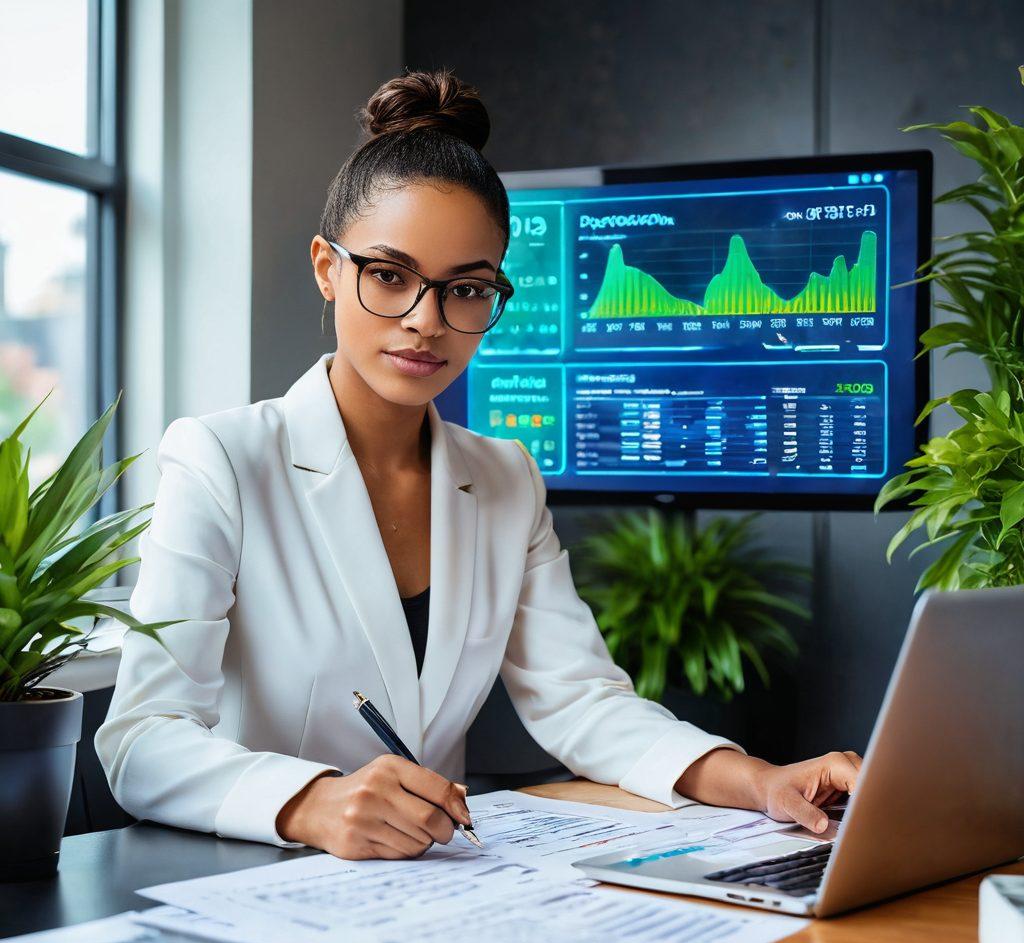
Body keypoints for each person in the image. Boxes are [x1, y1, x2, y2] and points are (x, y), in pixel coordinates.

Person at [96, 68, 860, 862]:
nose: (426, 321)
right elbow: (141, 741)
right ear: (328, 268)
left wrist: (761, 780)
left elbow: (582, 703)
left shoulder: (505, 478)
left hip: (435, 886)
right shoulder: (222, 458)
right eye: (389, 276)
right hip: (254, 880)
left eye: (465, 289)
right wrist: (313, 802)